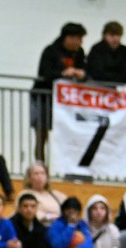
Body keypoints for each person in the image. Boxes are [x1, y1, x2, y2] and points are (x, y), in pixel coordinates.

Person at [31, 22, 87, 163]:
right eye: (77, 38)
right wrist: (62, 73)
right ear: (67, 38)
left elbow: (85, 70)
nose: (79, 42)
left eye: (81, 39)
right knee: (42, 133)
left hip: (66, 101)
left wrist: (82, 74)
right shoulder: (50, 51)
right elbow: (44, 73)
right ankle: (40, 165)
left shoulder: (79, 53)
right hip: (44, 97)